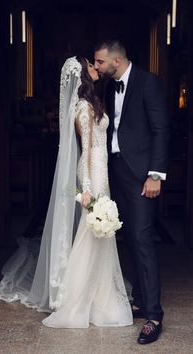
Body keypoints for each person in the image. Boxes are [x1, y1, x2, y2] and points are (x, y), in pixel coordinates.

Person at [0, 55, 133, 328]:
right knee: (89, 234)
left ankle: (98, 293)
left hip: (102, 171)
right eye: (90, 65)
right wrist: (88, 190)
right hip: (93, 173)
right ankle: (77, 298)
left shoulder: (92, 102)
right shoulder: (82, 107)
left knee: (100, 238)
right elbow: (86, 151)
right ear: (82, 74)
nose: (96, 67)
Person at [94, 40, 169, 344]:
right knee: (127, 236)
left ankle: (153, 314)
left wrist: (155, 174)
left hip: (142, 175)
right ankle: (139, 300)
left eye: (100, 61)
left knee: (142, 238)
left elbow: (161, 129)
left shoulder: (148, 83)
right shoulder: (111, 86)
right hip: (117, 171)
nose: (97, 66)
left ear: (116, 60)